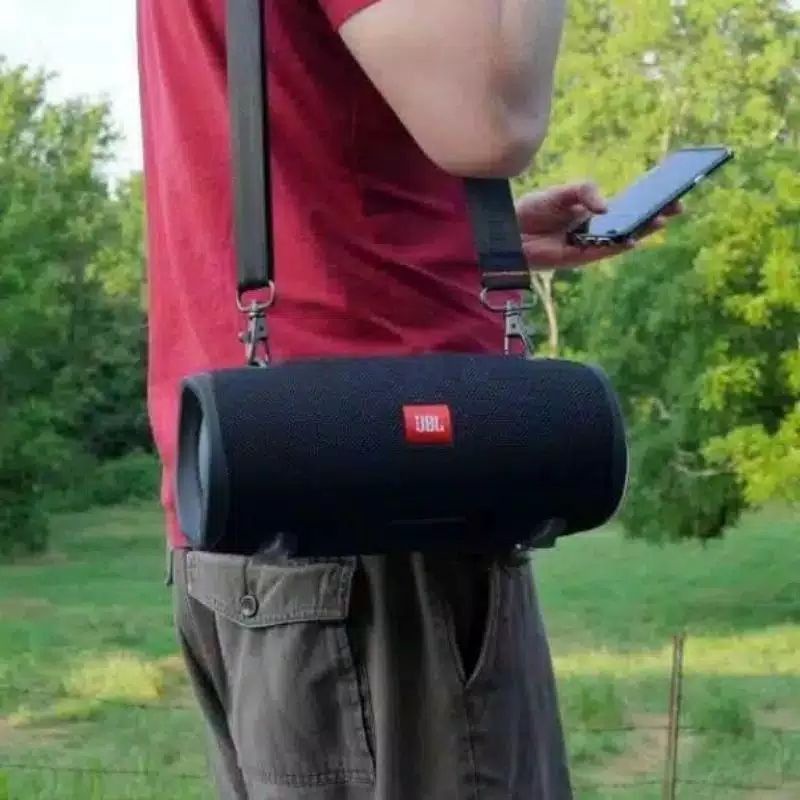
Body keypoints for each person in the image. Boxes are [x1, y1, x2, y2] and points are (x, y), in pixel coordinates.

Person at [137, 1, 678, 798]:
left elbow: (302, 131)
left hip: (260, 490)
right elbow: (491, 122)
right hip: (379, 518)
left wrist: (465, 239)